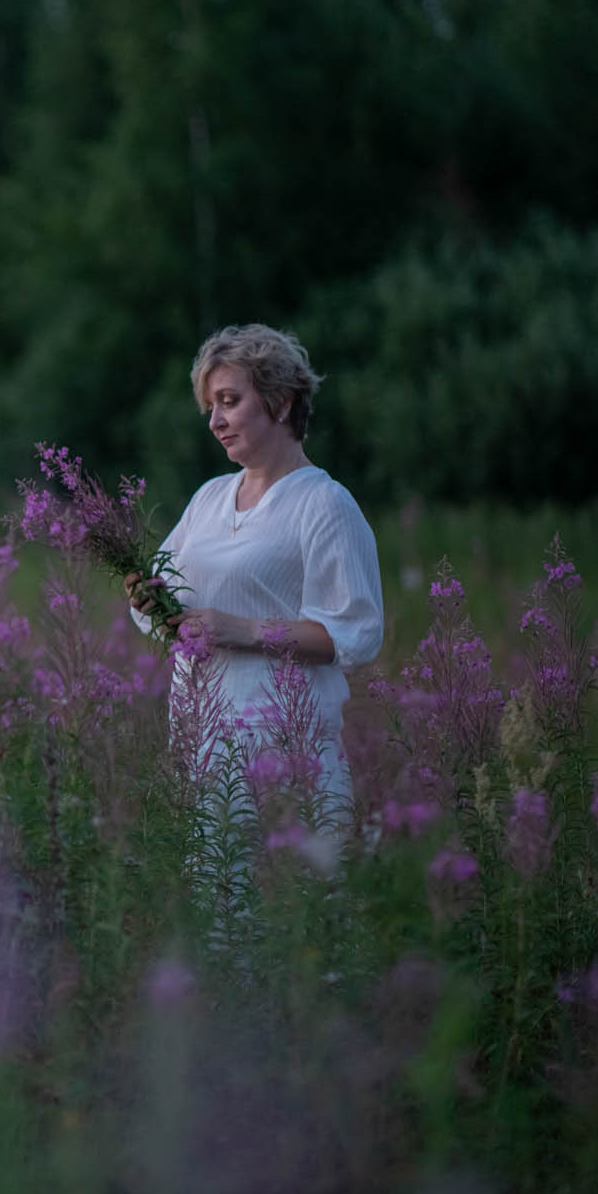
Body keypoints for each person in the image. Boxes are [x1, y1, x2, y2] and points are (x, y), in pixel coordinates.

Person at [126, 323, 383, 823]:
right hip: (204, 752)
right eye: (211, 408)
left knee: (293, 897)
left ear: (281, 402)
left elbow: (353, 635)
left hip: (289, 758)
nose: (215, 421)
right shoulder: (208, 499)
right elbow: (171, 610)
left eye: (229, 401)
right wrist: (148, 597)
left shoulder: (324, 504)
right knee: (216, 896)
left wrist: (243, 630)